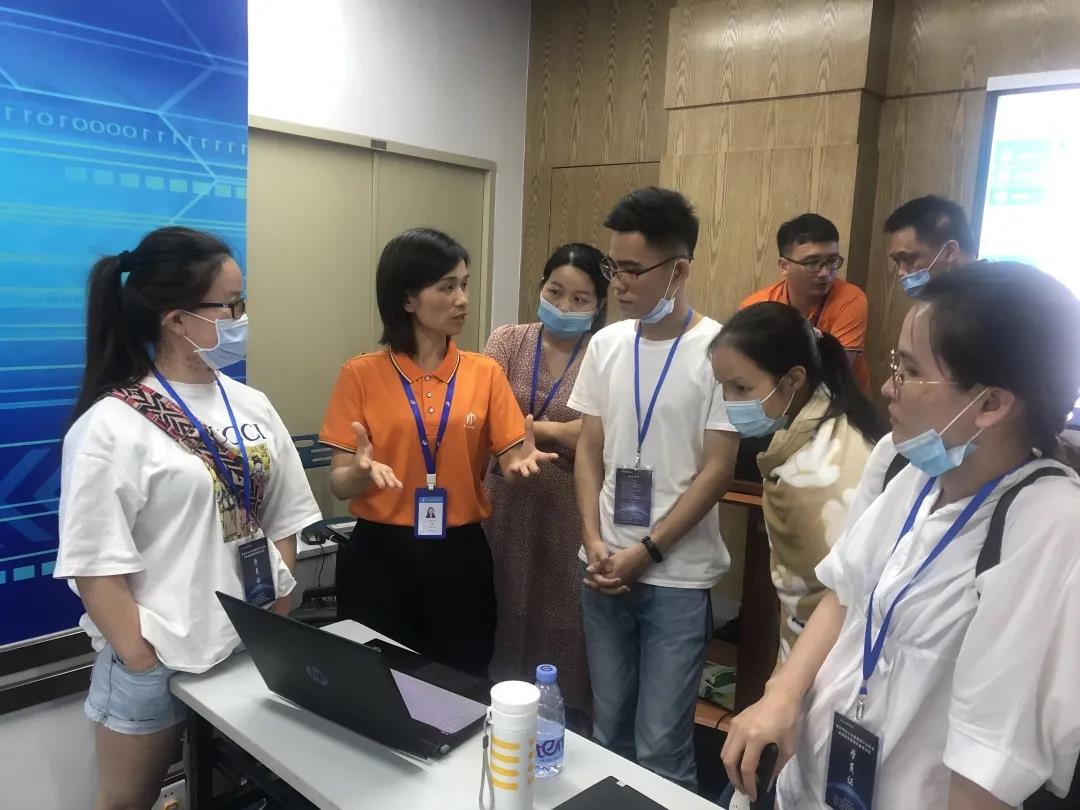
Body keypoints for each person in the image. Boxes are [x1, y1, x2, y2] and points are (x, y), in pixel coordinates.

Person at [721, 262, 1080, 809]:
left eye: (910, 370)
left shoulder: (1049, 524)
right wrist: (782, 694)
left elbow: (992, 759)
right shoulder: (902, 462)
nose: (889, 386)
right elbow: (847, 593)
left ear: (991, 403)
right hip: (807, 780)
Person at [54, 227, 321, 810]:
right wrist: (142, 656)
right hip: (157, 659)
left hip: (248, 646)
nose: (241, 319)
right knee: (126, 802)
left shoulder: (251, 405)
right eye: (231, 306)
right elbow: (95, 566)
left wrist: (273, 614)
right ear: (177, 320)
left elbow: (284, 519)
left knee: (235, 791)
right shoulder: (110, 426)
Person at [319, 227, 557, 678]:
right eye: (447, 287)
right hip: (380, 555)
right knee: (376, 681)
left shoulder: (485, 373)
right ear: (408, 298)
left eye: (464, 284)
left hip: (458, 554)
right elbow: (339, 481)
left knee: (460, 680)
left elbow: (510, 461)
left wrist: (521, 465)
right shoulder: (360, 374)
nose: (462, 299)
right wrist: (361, 472)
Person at [570, 186, 738, 791]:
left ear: (679, 271)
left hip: (676, 577)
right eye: (612, 266)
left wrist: (649, 550)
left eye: (633, 269)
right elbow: (589, 449)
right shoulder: (607, 344)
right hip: (603, 568)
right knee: (608, 733)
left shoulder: (720, 350)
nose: (617, 283)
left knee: (662, 747)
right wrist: (593, 539)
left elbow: (718, 470)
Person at [709, 302, 885, 662]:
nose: (730, 402)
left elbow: (827, 604)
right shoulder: (832, 418)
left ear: (793, 380)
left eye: (741, 388)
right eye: (723, 388)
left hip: (829, 658)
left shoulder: (813, 478)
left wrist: (789, 681)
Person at [482, 242, 609, 721]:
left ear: (599, 304)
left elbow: (602, 434)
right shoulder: (507, 340)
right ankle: (496, 710)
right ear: (540, 288)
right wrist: (564, 431)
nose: (564, 306)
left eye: (580, 299)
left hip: (570, 509)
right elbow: (483, 414)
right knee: (502, 607)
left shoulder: (605, 352)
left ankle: (563, 719)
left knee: (563, 620)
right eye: (555, 292)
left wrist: (532, 429)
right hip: (504, 502)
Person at [843, 195, 983, 526]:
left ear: (950, 250)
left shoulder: (1001, 311)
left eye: (910, 260)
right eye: (897, 262)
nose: (903, 274)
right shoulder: (927, 309)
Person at [741, 213, 870, 395]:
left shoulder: (850, 299)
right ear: (784, 266)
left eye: (832, 261)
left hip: (840, 401)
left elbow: (835, 372)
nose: (825, 273)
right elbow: (748, 370)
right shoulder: (756, 306)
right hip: (778, 401)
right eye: (812, 263)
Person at [884, 194, 977, 298]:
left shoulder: (986, 300)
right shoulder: (947, 297)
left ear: (950, 251)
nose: (901, 272)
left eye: (908, 259)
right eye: (897, 261)